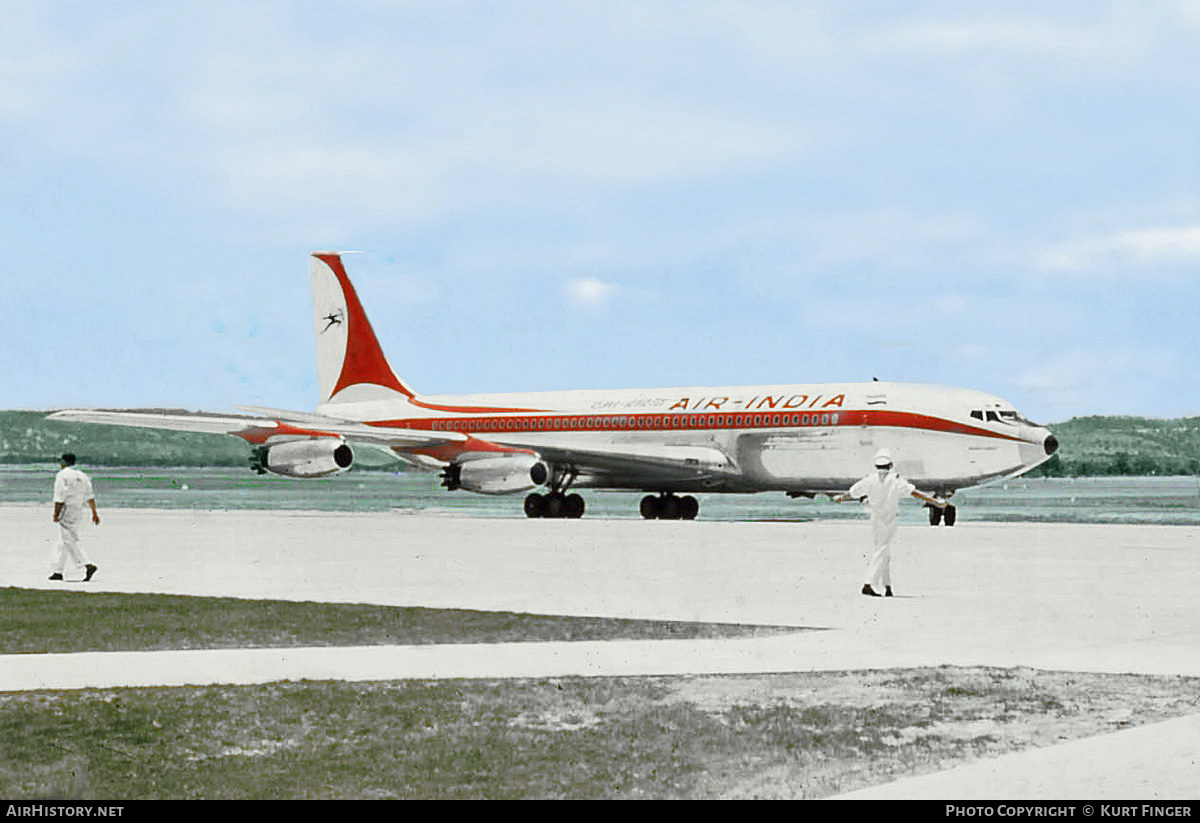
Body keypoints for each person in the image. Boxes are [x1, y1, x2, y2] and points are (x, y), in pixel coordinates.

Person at [834, 448, 945, 597]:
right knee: (882, 550)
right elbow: (914, 492)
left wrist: (840, 498)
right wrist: (934, 501)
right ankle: (869, 583)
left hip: (875, 518)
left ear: (876, 465)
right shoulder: (896, 479)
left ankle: (887, 586)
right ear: (890, 464)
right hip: (890, 519)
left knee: (884, 551)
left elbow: (853, 493)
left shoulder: (870, 479)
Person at [50, 453, 99, 582]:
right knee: (64, 540)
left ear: (64, 462)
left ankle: (86, 564)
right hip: (78, 509)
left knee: (69, 539)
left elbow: (59, 496)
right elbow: (90, 496)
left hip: (67, 509)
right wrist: (94, 512)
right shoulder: (82, 475)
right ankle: (58, 571)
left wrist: (56, 513)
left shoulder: (62, 475)